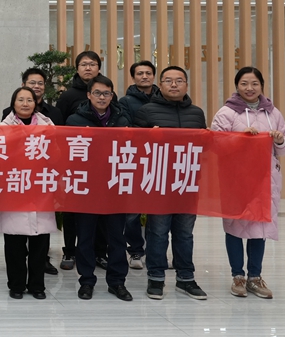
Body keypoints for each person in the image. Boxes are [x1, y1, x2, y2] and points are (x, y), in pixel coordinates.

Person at [211, 67, 285, 300]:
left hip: (265, 180)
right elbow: (216, 144)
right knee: (235, 227)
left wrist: (280, 140)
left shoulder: (273, 113)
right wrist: (239, 138)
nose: (249, 88)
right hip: (236, 180)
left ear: (261, 86)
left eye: (254, 83)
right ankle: (238, 276)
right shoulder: (226, 112)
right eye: (244, 83)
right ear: (237, 86)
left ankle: (255, 277)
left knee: (259, 228)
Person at [134, 66, 208, 300]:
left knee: (185, 233)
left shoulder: (197, 113)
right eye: (168, 80)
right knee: (157, 232)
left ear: (186, 84)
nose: (174, 84)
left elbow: (205, 149)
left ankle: (186, 278)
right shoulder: (146, 111)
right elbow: (133, 147)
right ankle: (156, 278)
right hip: (158, 182)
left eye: (179, 80)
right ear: (161, 85)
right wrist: (148, 137)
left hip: (187, 182)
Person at [65, 75, 133, 302]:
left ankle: (117, 282)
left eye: (106, 93)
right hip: (86, 187)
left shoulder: (122, 119)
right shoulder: (75, 120)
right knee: (85, 237)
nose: (102, 97)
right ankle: (86, 281)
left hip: (114, 186)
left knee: (116, 237)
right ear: (88, 95)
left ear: (112, 96)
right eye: (97, 93)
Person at [0, 86, 58, 300]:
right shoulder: (2, 128)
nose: (25, 104)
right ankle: (16, 284)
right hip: (14, 189)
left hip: (41, 189)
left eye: (29, 100)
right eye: (20, 100)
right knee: (14, 244)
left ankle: (37, 285)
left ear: (36, 103)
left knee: (40, 244)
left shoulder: (48, 126)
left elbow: (57, 155)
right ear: (13, 103)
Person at [55, 51, 102, 271]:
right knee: (72, 209)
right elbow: (60, 128)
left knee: (101, 208)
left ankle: (99, 252)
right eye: (84, 64)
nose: (88, 68)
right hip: (74, 162)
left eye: (92, 64)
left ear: (99, 68)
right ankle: (69, 251)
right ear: (77, 68)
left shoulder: (107, 91)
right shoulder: (68, 96)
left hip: (100, 163)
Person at [118, 60, 158, 270]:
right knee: (132, 210)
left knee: (157, 210)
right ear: (133, 77)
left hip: (159, 160)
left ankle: (155, 250)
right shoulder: (125, 101)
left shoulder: (164, 99)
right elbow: (126, 127)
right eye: (140, 73)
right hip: (134, 159)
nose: (144, 76)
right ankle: (135, 250)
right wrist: (150, 131)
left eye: (148, 73)